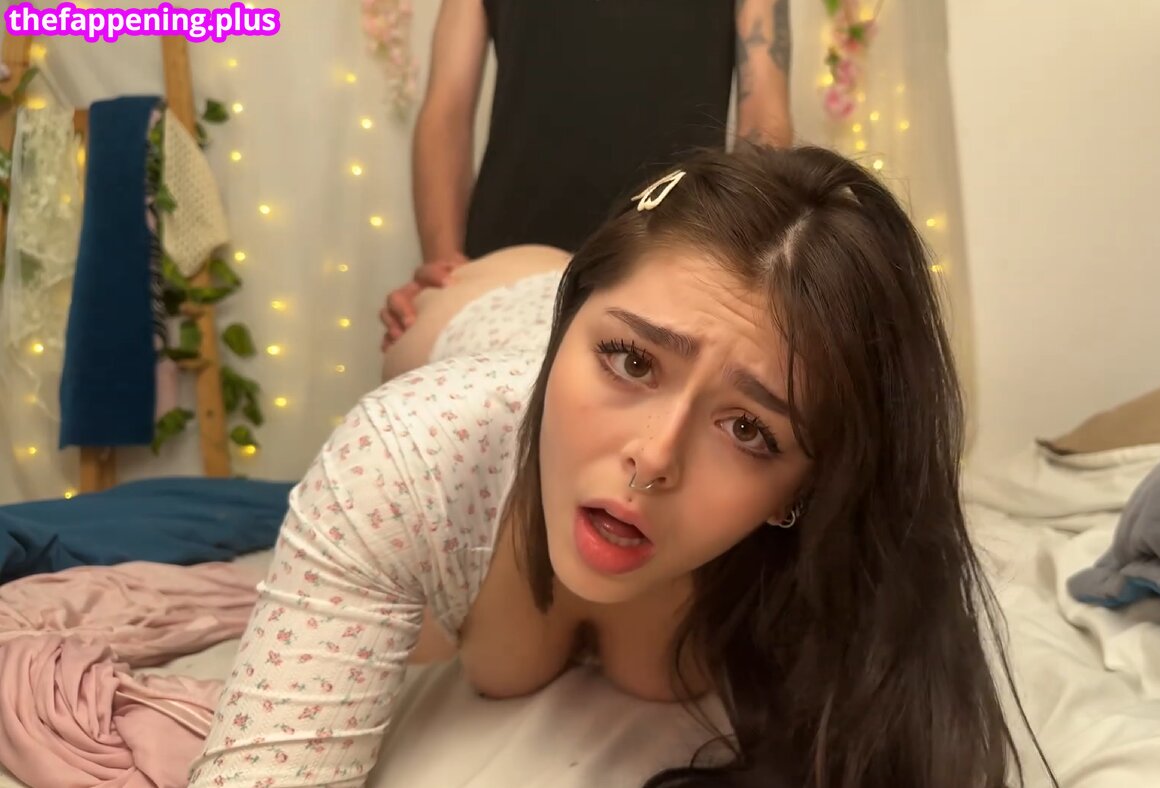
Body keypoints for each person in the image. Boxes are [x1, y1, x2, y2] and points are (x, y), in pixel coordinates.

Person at [189, 145, 1030, 788]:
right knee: (429, 331)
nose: (655, 459)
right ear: (570, 332)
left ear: (807, 487)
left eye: (748, 429)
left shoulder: (832, 580)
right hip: (485, 308)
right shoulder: (408, 453)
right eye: (630, 362)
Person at [381, 0, 796, 352]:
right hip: (506, 259)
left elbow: (764, 122)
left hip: (670, 259)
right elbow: (447, 106)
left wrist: (736, 273)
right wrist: (445, 268)